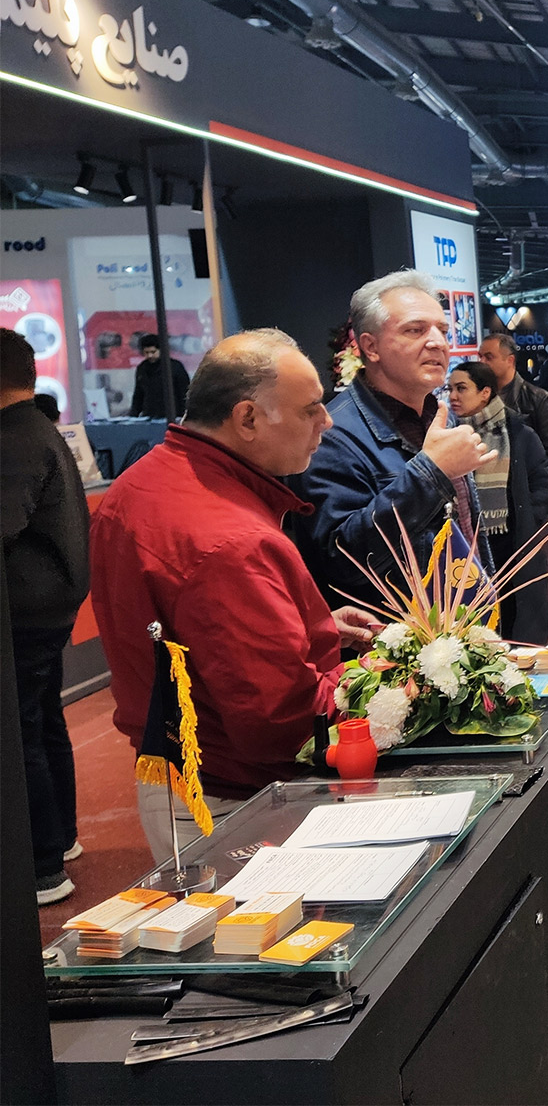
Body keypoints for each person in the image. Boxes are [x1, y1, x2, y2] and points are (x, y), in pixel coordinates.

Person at [90, 331, 383, 857]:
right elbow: (281, 724)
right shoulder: (230, 538)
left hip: (182, 774)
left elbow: (191, 628)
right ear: (247, 418)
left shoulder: (144, 480)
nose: (327, 422)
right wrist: (388, 674)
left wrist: (300, 626)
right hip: (235, 799)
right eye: (310, 409)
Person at [293, 270, 497, 615]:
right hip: (395, 641)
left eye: (443, 330)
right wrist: (430, 472)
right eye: (415, 330)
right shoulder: (331, 434)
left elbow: (464, 533)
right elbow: (342, 560)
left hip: (461, 630)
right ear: (370, 346)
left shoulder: (439, 416)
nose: (438, 343)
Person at [1, 328, 91, 904]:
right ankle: (61, 840)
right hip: (50, 606)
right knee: (44, 722)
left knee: (23, 733)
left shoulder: (13, 438)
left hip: (25, 611)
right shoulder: (38, 428)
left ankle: (41, 868)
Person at [446, 362, 548, 644]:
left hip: (510, 542)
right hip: (464, 546)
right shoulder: (446, 439)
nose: (453, 396)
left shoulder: (518, 434)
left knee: (514, 617)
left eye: (461, 388)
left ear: (485, 393)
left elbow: (542, 484)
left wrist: (529, 519)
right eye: (450, 389)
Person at [479, 333, 548, 474]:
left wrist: (525, 479)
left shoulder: (538, 399)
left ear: (510, 360)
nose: (482, 362)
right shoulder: (477, 398)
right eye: (480, 356)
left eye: (489, 357)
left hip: (524, 482)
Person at [129, 333, 190, 418]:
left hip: (173, 415)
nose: (150, 355)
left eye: (153, 352)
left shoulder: (174, 367)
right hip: (149, 415)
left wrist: (185, 415)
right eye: (146, 352)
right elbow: (138, 395)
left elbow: (184, 392)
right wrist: (133, 415)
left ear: (161, 350)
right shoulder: (142, 368)